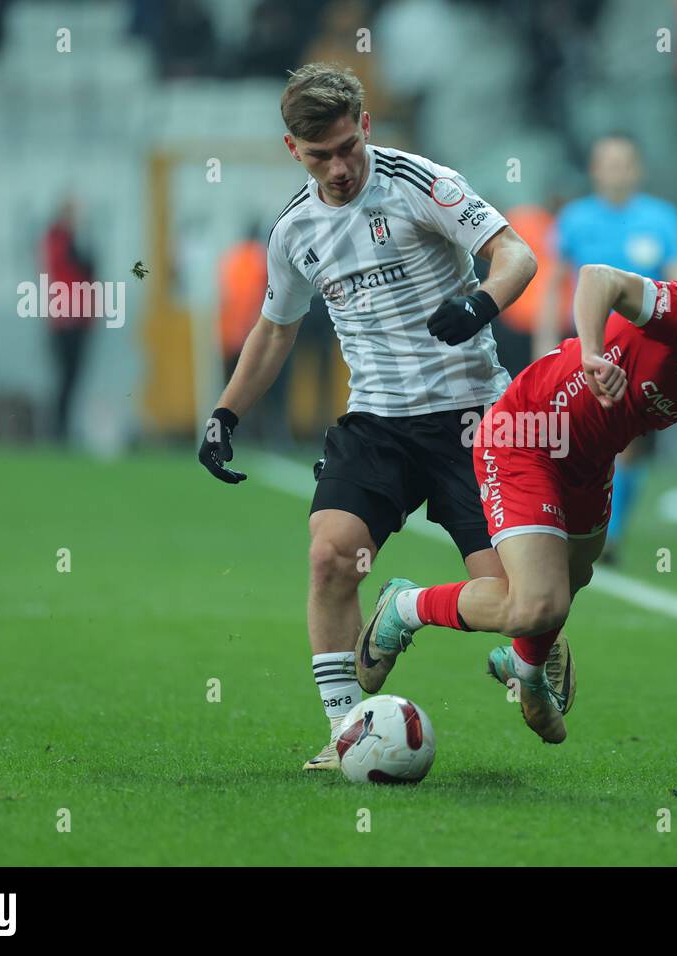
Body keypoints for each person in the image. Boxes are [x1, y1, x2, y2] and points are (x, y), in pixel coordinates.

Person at [196, 63, 537, 769]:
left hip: (472, 419)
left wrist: (481, 303)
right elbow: (275, 327)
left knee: (520, 601)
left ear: (366, 129)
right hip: (378, 423)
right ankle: (347, 729)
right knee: (330, 555)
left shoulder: (421, 184)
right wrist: (226, 412)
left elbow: (515, 254)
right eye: (322, 155)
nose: (341, 165)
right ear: (294, 150)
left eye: (349, 146)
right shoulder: (294, 229)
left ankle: (407, 610)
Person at [356, 271, 677, 743]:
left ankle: (525, 669)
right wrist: (591, 352)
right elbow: (598, 279)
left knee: (574, 575)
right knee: (537, 605)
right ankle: (404, 606)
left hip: (592, 461)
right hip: (527, 435)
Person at [537, 132, 677, 564]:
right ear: (594, 169)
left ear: (637, 168)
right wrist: (543, 341)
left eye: (624, 162)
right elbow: (553, 285)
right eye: (607, 163)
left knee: (626, 442)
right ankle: (579, 525)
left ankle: (611, 533)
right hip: (582, 348)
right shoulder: (574, 219)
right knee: (576, 441)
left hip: (643, 353)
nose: (616, 171)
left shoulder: (661, 219)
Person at [41, 198, 96, 442]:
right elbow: (83, 265)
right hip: (67, 318)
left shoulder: (64, 240)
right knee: (66, 376)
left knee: (71, 378)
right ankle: (59, 429)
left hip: (76, 317)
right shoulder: (59, 240)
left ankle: (62, 427)